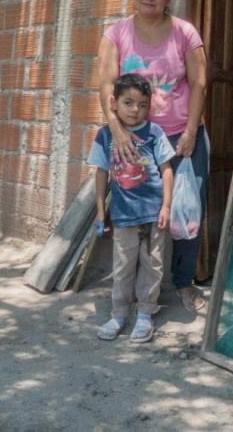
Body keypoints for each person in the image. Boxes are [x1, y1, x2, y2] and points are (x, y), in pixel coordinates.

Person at [97, 0, 210, 312]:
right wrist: (115, 128)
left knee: (186, 211)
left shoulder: (185, 33)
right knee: (136, 212)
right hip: (134, 140)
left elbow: (199, 83)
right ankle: (134, 286)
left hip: (180, 137)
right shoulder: (116, 34)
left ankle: (184, 282)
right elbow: (105, 84)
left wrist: (191, 131)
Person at [89, 73, 176, 342]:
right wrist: (101, 211)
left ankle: (145, 315)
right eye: (128, 103)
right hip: (123, 215)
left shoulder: (154, 132)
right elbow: (101, 173)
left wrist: (166, 206)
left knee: (153, 265)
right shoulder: (105, 136)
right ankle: (118, 314)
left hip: (152, 213)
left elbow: (167, 169)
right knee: (123, 266)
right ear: (114, 103)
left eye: (142, 105)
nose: (135, 110)